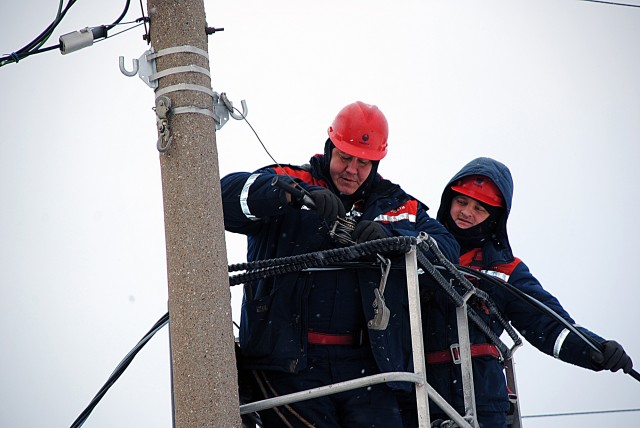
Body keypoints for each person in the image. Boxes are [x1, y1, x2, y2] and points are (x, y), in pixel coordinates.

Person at [221, 101, 459, 427]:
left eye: (363, 162)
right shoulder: (287, 179)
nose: (352, 170)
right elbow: (223, 197)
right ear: (329, 148)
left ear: (376, 163)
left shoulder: (397, 206)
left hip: (370, 366)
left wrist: (391, 238)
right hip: (287, 363)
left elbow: (447, 250)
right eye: (345, 157)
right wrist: (290, 195)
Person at [414, 156, 633, 427]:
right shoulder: (416, 253)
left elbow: (547, 323)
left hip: (483, 400)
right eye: (461, 201)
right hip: (417, 393)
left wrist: (594, 349)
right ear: (448, 201)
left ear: (495, 218)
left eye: (479, 208)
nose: (466, 212)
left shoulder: (506, 270)